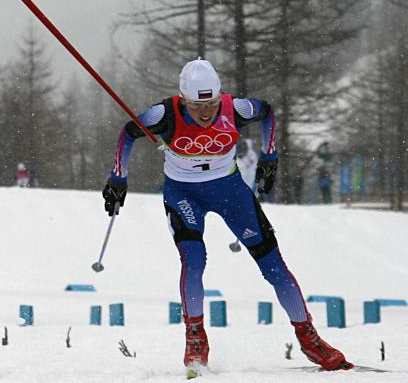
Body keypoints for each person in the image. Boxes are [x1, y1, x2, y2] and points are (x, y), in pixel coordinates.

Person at [102, 59, 351, 375]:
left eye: (210, 104)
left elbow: (268, 112)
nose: (205, 113)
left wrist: (269, 157)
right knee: (194, 260)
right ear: (183, 99)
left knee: (273, 266)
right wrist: (118, 178)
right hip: (183, 194)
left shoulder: (236, 109)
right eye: (196, 106)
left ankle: (309, 337)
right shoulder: (164, 113)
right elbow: (128, 133)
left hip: (230, 191)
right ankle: (195, 337)